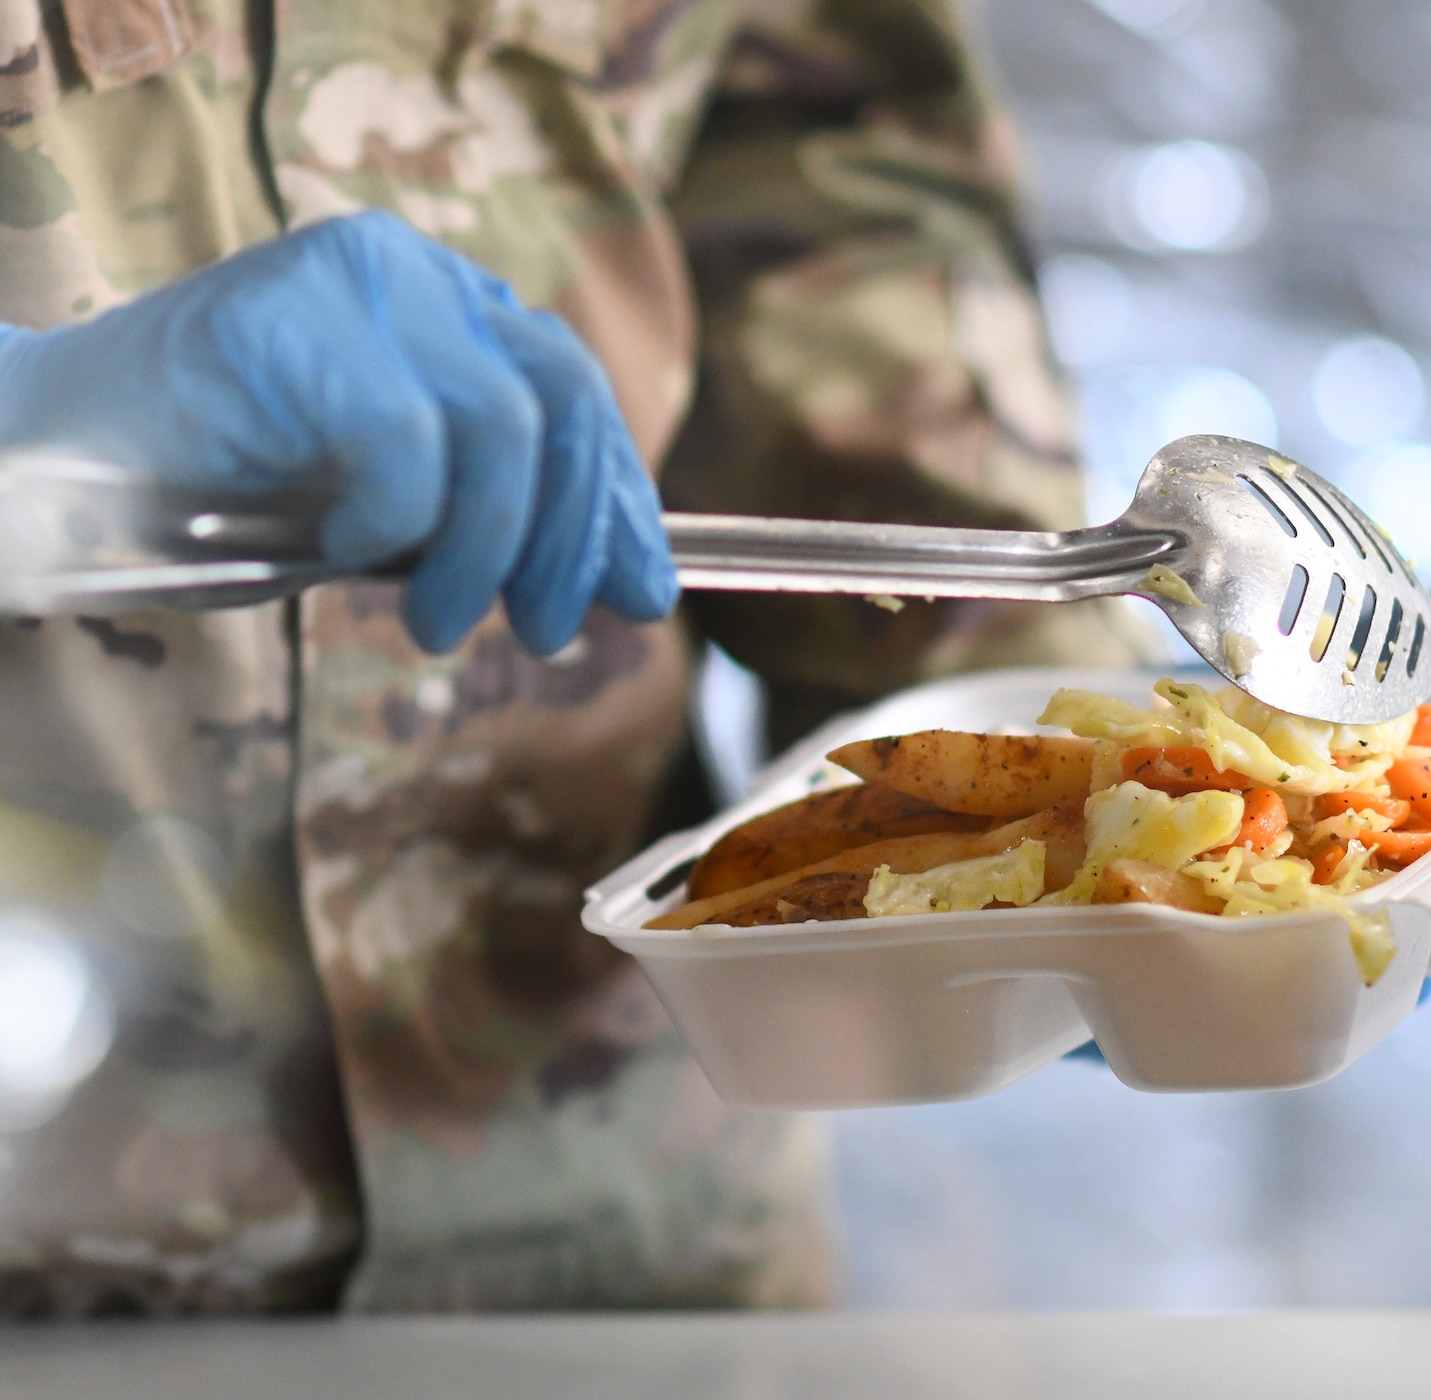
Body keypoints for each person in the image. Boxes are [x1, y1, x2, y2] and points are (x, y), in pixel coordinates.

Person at [0, 0, 1160, 1313]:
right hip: (48, 1265)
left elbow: (818, 150)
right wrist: (19, 407)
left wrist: (1082, 787)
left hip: (631, 1251)